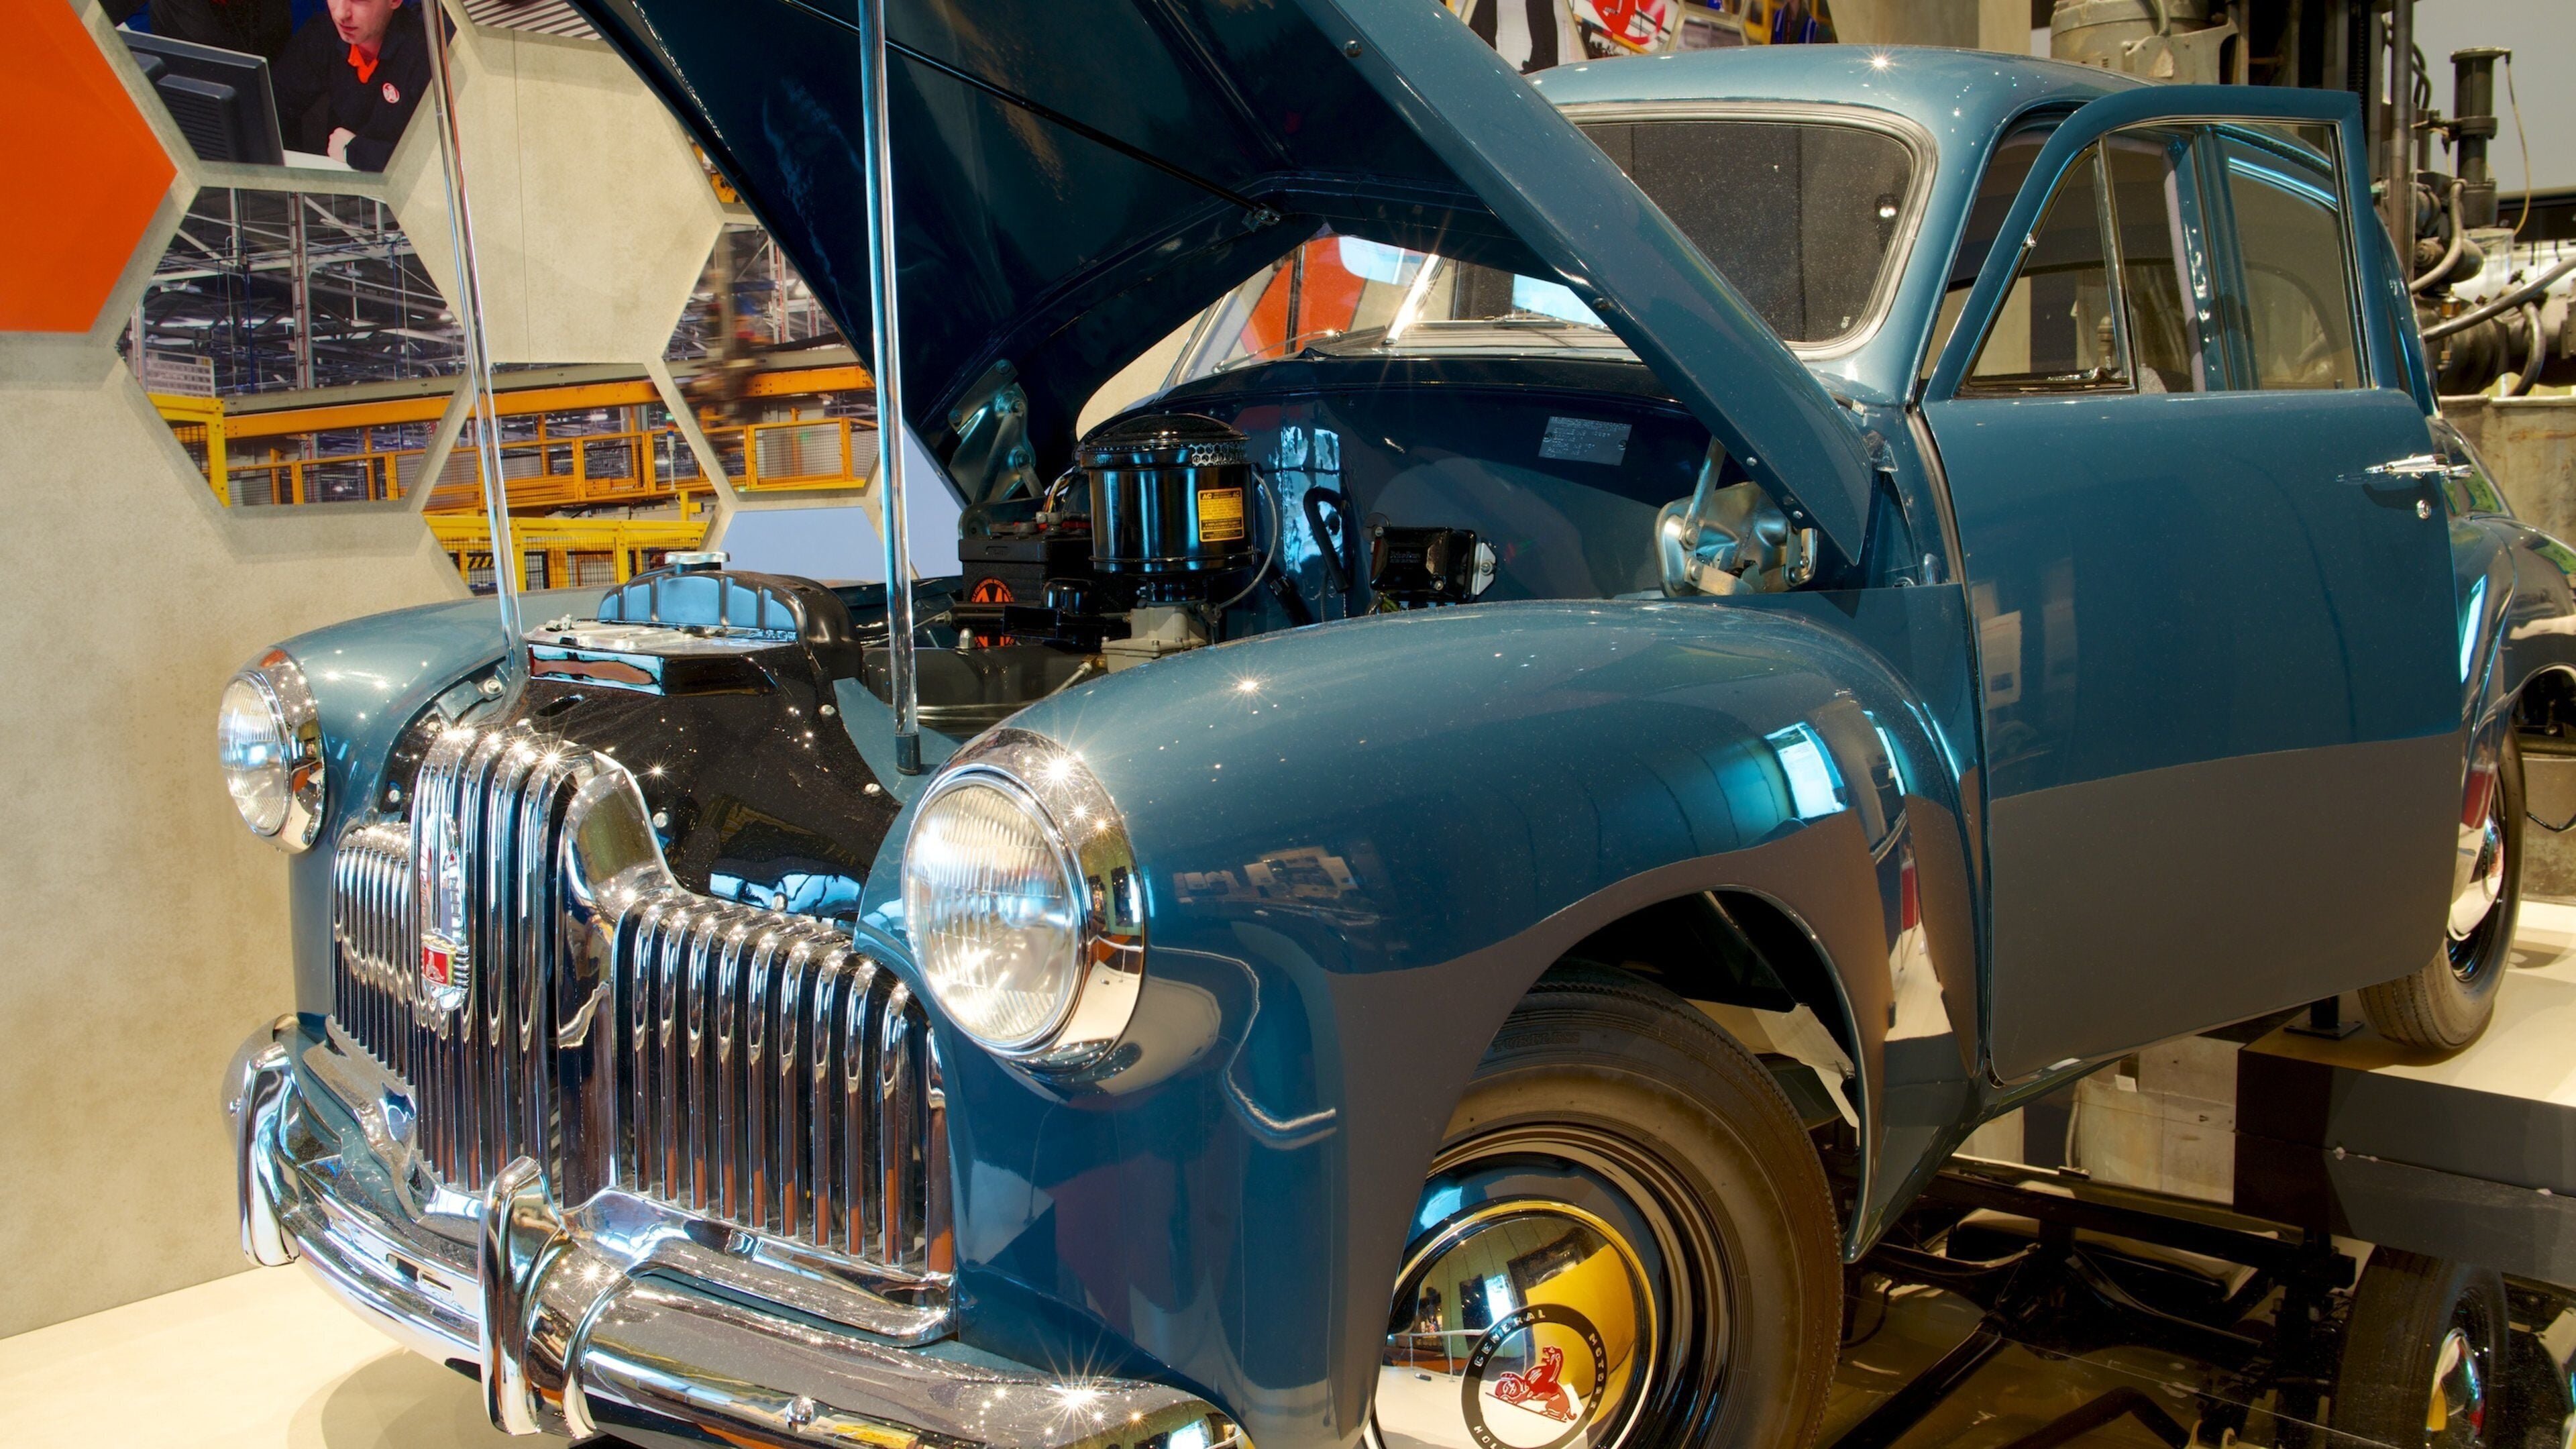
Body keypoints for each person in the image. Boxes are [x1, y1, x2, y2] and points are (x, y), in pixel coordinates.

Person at [271, 0, 435, 171]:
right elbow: (272, 109)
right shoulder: (323, 32)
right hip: (342, 186)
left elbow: (437, 164)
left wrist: (354, 151)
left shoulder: (428, 53)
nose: (341, 13)